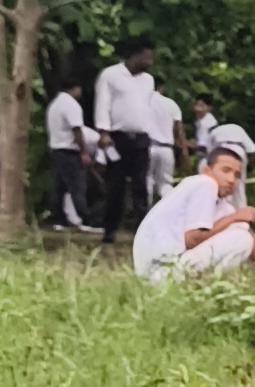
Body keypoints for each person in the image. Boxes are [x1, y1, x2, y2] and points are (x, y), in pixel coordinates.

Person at [133, 128, 255, 282]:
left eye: (237, 175)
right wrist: (235, 217)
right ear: (207, 170)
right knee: (241, 240)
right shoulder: (205, 184)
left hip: (162, 267)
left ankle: (207, 287)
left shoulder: (220, 202)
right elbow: (191, 239)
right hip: (160, 269)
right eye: (225, 171)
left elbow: (250, 235)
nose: (231, 179)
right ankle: (207, 288)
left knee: (243, 235)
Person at [93, 41, 168, 243]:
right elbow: (103, 103)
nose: (150, 62)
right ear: (134, 56)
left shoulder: (148, 80)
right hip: (118, 137)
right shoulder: (111, 75)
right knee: (115, 185)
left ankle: (143, 229)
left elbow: (146, 108)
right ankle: (110, 229)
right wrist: (103, 131)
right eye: (146, 57)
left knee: (141, 185)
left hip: (141, 137)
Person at [44, 73, 94, 233]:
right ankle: (84, 218)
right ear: (75, 88)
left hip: (56, 148)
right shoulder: (71, 105)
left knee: (61, 186)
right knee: (77, 185)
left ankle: (59, 218)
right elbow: (77, 129)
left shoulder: (55, 104)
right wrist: (84, 151)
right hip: (69, 149)